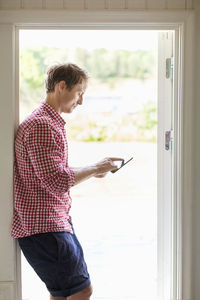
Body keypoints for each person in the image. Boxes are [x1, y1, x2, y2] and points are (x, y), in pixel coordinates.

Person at [11, 63, 124, 300]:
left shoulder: (47, 122)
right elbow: (57, 180)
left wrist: (95, 169)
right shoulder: (42, 125)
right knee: (81, 290)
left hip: (51, 224)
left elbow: (52, 171)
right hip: (44, 227)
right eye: (79, 93)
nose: (80, 101)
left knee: (64, 293)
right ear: (62, 86)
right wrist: (96, 168)